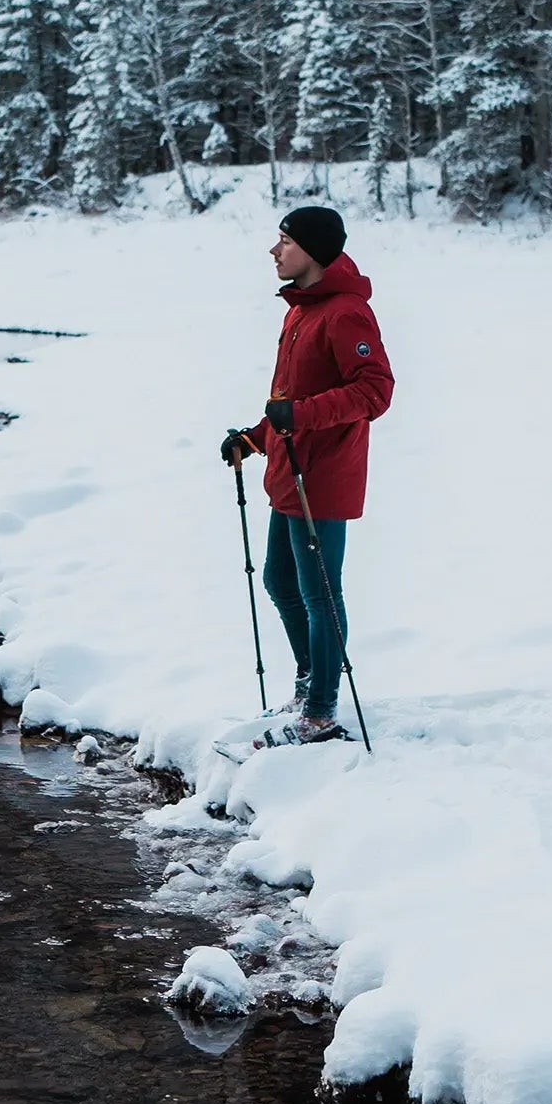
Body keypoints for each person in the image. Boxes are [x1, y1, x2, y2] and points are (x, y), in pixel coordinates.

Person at [219, 205, 392, 744]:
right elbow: (288, 403)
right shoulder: (300, 312)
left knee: (319, 593)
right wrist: (254, 438)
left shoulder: (345, 314)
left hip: (323, 476)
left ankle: (321, 712)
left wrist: (303, 416)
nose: (275, 251)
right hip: (290, 471)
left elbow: (375, 391)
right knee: (279, 581)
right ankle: (308, 683)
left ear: (312, 252)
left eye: (285, 242)